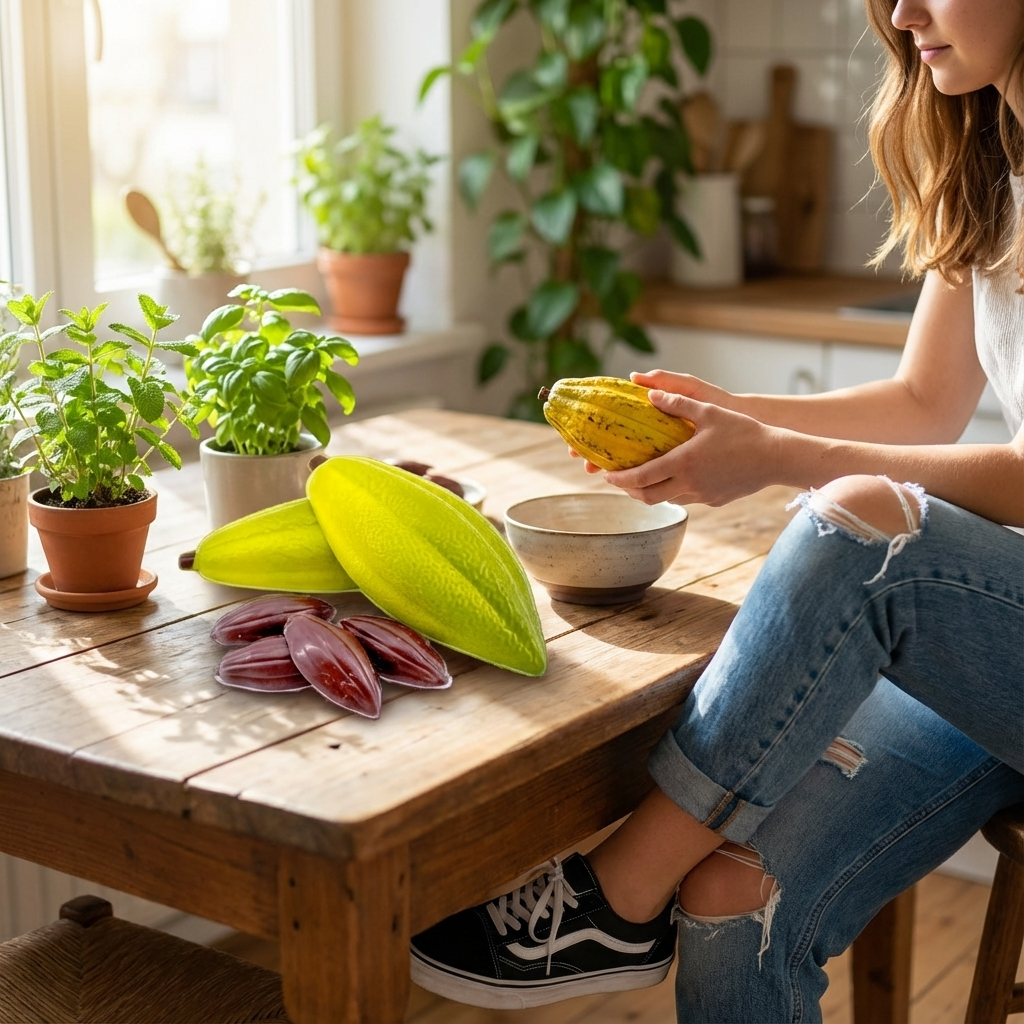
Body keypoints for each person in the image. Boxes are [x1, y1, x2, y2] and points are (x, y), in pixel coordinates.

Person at [409, 0, 1024, 1019]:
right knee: (732, 897)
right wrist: (720, 415)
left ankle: (611, 891)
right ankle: (639, 889)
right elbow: (924, 400)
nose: (903, 12)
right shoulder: (989, 158)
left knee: (862, 529)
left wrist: (778, 458)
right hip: (986, 637)